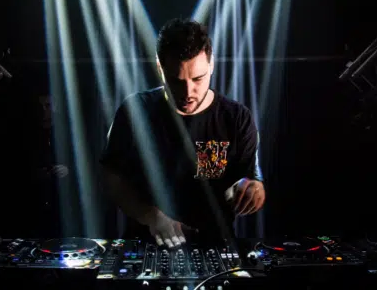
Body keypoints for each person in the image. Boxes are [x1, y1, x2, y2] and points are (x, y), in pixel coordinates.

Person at [100, 18, 265, 248]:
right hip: (146, 244)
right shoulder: (135, 111)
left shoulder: (236, 117)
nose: (188, 92)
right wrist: (151, 216)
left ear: (212, 65)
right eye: (176, 81)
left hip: (215, 244)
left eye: (198, 78)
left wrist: (252, 189)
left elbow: (250, 177)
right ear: (160, 68)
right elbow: (112, 176)